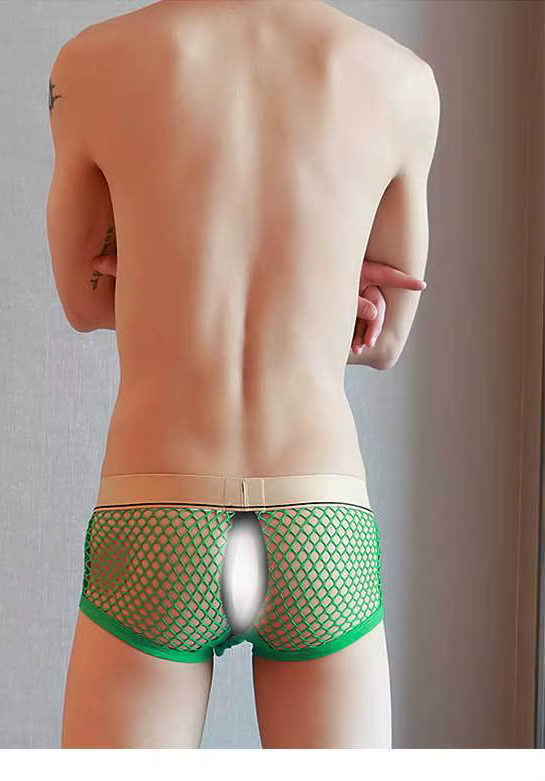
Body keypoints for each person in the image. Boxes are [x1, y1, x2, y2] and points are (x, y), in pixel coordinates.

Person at [47, 0, 440, 749]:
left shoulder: (89, 65)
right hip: (318, 520)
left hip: (158, 510)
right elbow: (385, 341)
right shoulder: (403, 81)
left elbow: (84, 300)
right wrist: (316, 295)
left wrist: (168, 274)